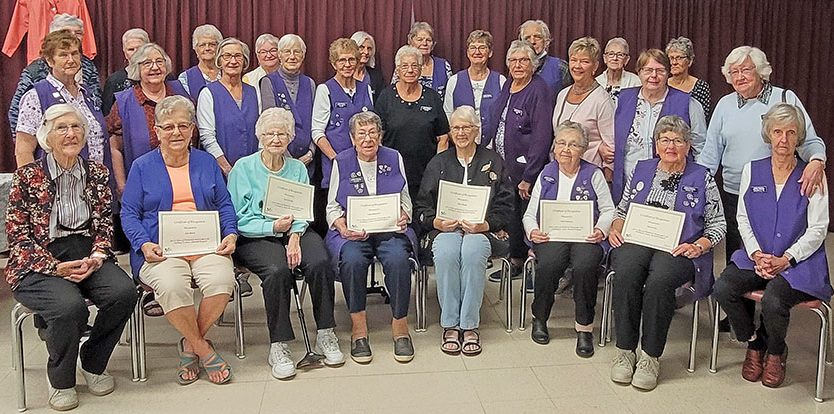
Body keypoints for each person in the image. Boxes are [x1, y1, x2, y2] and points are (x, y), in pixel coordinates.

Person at [6, 104, 136, 411]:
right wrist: (55, 267)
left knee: (123, 293)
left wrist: (98, 255)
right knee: (69, 307)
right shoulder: (27, 177)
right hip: (38, 259)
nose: (70, 134)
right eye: (61, 128)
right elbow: (18, 238)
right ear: (46, 137)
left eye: (76, 127)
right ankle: (61, 380)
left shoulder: (97, 173)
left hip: (86, 252)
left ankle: (92, 361)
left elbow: (104, 224)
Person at [121, 96, 238, 385]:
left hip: (206, 245)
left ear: (192, 129)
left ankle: (189, 344)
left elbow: (225, 204)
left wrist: (231, 233)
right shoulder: (142, 166)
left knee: (222, 281)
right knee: (172, 286)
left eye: (183, 126)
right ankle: (203, 349)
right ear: (157, 130)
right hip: (159, 249)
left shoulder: (206, 162)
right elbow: (129, 213)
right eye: (169, 127)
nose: (176, 132)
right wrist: (143, 243)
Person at [713, 104, 831, 388]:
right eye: (777, 132)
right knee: (723, 288)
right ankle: (754, 343)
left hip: (798, 264)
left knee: (774, 300)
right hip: (757, 257)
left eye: (791, 133)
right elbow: (742, 217)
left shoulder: (812, 175)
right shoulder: (752, 170)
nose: (783, 139)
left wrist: (788, 258)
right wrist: (755, 253)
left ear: (798, 137)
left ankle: (776, 352)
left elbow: (818, 228)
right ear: (768, 135)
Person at [607, 115, 725, 391]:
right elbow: (622, 209)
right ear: (656, 144)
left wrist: (699, 245)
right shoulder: (642, 169)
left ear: (688, 145)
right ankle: (625, 351)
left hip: (679, 247)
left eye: (678, 140)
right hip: (638, 240)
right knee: (626, 272)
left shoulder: (702, 177)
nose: (671, 146)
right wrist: (615, 228)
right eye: (665, 139)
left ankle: (650, 357)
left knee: (659, 281)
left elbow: (718, 224)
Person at [228, 107, 343, 379]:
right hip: (255, 235)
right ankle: (278, 345)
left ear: (290, 137)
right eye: (270, 134)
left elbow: (303, 211)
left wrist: (294, 236)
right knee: (277, 270)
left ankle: (325, 332)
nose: (276, 139)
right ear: (260, 136)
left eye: (282, 134)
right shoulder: (243, 168)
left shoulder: (297, 169)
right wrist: (272, 227)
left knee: (319, 261)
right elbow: (237, 219)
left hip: (294, 231)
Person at [698, 45, 826, 264]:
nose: (739, 77)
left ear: (760, 71)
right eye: (734, 72)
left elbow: (809, 141)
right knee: (738, 259)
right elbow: (709, 155)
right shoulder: (724, 105)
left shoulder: (784, 98)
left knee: (777, 254)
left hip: (776, 193)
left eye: (746, 70)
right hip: (734, 193)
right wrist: (693, 182)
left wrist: (817, 161)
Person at [414, 106, 513, 356]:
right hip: (444, 230)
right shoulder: (439, 162)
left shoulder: (493, 161)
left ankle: (469, 324)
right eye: (456, 128)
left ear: (476, 131)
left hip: (482, 231)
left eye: (466, 127)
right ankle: (450, 323)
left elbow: (506, 206)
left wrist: (486, 225)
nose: (461, 133)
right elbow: (422, 206)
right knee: (447, 251)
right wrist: (436, 222)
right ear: (450, 132)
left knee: (472, 249)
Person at [325, 111, 415, 364]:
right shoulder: (341, 161)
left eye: (373, 132)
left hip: (389, 229)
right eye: (361, 134)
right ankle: (359, 328)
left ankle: (400, 326)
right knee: (353, 260)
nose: (368, 139)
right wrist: (341, 225)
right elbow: (332, 206)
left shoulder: (394, 157)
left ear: (380, 136)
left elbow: (405, 197)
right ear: (353, 139)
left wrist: (404, 214)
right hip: (354, 233)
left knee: (398, 259)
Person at [523, 121, 615, 356]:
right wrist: (533, 231)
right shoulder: (546, 173)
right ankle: (540, 318)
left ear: (583, 150)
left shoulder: (593, 174)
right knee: (549, 264)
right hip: (551, 236)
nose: (565, 149)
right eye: (561, 143)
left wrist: (601, 230)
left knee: (585, 266)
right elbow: (530, 214)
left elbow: (608, 210)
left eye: (573, 145)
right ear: (554, 146)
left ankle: (584, 328)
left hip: (586, 237)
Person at [482, 40, 555, 281]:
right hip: (506, 165)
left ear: (533, 64)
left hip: (526, 170)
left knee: (528, 217)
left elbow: (542, 135)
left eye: (523, 60)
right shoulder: (509, 85)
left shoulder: (539, 89)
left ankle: (534, 268)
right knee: (512, 215)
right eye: (513, 60)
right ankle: (515, 260)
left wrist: (529, 176)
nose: (518, 65)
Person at [612, 49, 707, 204]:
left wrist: (697, 181)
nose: (654, 75)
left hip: (672, 188)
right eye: (648, 70)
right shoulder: (622, 99)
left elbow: (701, 147)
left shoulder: (688, 103)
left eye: (660, 70)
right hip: (628, 186)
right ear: (639, 72)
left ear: (668, 73)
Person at [14, 29, 111, 170]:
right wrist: (32, 182)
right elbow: (23, 150)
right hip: (55, 180)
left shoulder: (87, 94)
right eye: (63, 55)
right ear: (50, 60)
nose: (71, 60)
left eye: (74, 54)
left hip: (96, 179)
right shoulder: (36, 96)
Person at [107, 43, 189, 197]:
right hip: (143, 186)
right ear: (136, 69)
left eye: (159, 61)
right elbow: (115, 148)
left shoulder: (180, 93)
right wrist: (123, 187)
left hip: (184, 182)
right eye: (147, 63)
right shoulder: (124, 103)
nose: (155, 67)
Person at [8, 14, 102, 136]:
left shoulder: (88, 66)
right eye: (66, 32)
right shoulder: (34, 71)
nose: (73, 36)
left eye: (78, 33)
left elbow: (97, 102)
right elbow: (16, 113)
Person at [377, 45, 450, 200]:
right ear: (397, 70)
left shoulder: (432, 97)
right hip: (392, 174)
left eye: (414, 66)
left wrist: (437, 169)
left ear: (421, 69)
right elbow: (378, 137)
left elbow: (443, 138)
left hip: (426, 175)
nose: (410, 70)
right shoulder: (386, 97)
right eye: (405, 66)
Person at [312, 38, 374, 189]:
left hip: (365, 165)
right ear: (334, 64)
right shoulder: (325, 90)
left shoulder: (366, 88)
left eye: (351, 59)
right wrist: (336, 159)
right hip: (336, 166)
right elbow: (317, 133)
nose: (347, 65)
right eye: (342, 60)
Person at [552, 36, 615, 174]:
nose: (577, 66)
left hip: (588, 173)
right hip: (560, 170)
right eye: (573, 60)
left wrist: (607, 177)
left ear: (595, 66)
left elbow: (611, 148)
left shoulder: (602, 100)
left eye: (584, 61)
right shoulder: (562, 94)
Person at [197, 37, 260, 174]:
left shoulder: (254, 92)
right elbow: (207, 137)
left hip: (252, 171)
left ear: (244, 61)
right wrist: (228, 170)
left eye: (238, 56)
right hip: (220, 171)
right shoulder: (208, 93)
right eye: (227, 56)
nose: (233, 61)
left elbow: (261, 132)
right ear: (219, 61)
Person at [261, 34, 316, 174]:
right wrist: (288, 158)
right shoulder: (269, 82)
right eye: (287, 51)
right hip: (279, 160)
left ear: (303, 55)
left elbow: (316, 123)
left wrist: (311, 152)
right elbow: (270, 124)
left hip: (308, 161)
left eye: (297, 52)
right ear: (279, 55)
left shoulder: (310, 83)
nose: (292, 56)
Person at [443, 30, 506, 144]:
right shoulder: (454, 81)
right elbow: (448, 116)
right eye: (473, 48)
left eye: (482, 47)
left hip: (492, 148)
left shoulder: (501, 81)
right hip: (461, 146)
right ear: (467, 53)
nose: (477, 52)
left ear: (490, 52)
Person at [390, 22, 453, 98]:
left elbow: (451, 95)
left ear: (433, 45)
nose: (424, 43)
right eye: (420, 40)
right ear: (410, 42)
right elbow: (393, 94)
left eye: (428, 40)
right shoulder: (403, 66)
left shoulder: (443, 65)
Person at [102, 28, 149, 115]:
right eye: (131, 49)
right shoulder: (114, 81)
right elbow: (107, 114)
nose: (136, 53)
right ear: (125, 53)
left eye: (140, 48)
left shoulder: (162, 75)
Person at [518, 19, 571, 96]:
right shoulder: (516, 67)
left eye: (537, 37)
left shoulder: (561, 67)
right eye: (527, 38)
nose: (532, 41)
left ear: (546, 42)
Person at [666, 37, 711, 120]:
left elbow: (702, 118)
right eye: (671, 58)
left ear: (690, 61)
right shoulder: (663, 84)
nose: (674, 62)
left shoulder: (700, 87)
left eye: (679, 58)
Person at [178, 24, 223, 100]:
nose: (207, 48)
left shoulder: (228, 73)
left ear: (219, 48)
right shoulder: (185, 78)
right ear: (196, 49)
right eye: (202, 45)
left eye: (212, 44)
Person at [595, 37, 641, 105]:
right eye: (611, 54)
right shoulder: (597, 82)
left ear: (626, 60)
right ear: (605, 58)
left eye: (620, 55)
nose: (615, 58)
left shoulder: (635, 82)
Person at [243, 33, 280, 110]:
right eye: (263, 52)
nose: (269, 55)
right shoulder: (248, 78)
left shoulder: (287, 75)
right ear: (257, 56)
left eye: (273, 50)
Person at [351, 31, 386, 101]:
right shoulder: (345, 74)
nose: (366, 52)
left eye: (369, 48)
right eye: (361, 47)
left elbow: (383, 101)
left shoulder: (376, 76)